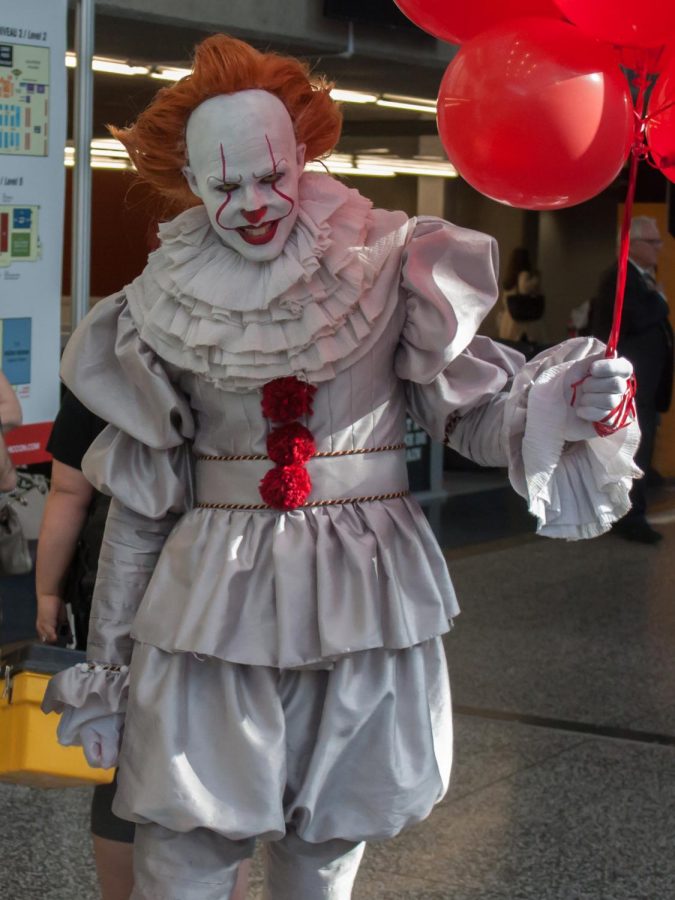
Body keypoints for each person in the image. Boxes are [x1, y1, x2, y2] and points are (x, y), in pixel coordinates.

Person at [42, 35, 638, 899]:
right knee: (184, 852)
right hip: (213, 601)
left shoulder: (390, 260)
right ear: (192, 182)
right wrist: (109, 674)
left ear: (301, 153)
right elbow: (140, 505)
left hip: (365, 591)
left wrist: (560, 406)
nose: (251, 203)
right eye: (224, 184)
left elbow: (466, 415)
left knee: (326, 854)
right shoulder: (158, 303)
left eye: (268, 175)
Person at [33, 389, 251, 900]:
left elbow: (68, 493)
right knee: (220, 751)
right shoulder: (247, 357)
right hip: (225, 584)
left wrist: (47, 592)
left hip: (119, 589)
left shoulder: (107, 363)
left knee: (122, 756)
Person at [590, 215, 674, 544]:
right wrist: (661, 301)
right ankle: (629, 517)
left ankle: (630, 510)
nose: (659, 248)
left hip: (646, 387)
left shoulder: (643, 277)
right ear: (634, 245)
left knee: (639, 451)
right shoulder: (620, 278)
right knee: (630, 451)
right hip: (631, 387)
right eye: (653, 242)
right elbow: (635, 319)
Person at [497, 246, 547, 346]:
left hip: (509, 317)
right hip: (519, 321)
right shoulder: (524, 274)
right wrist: (536, 280)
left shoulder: (510, 276)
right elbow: (524, 290)